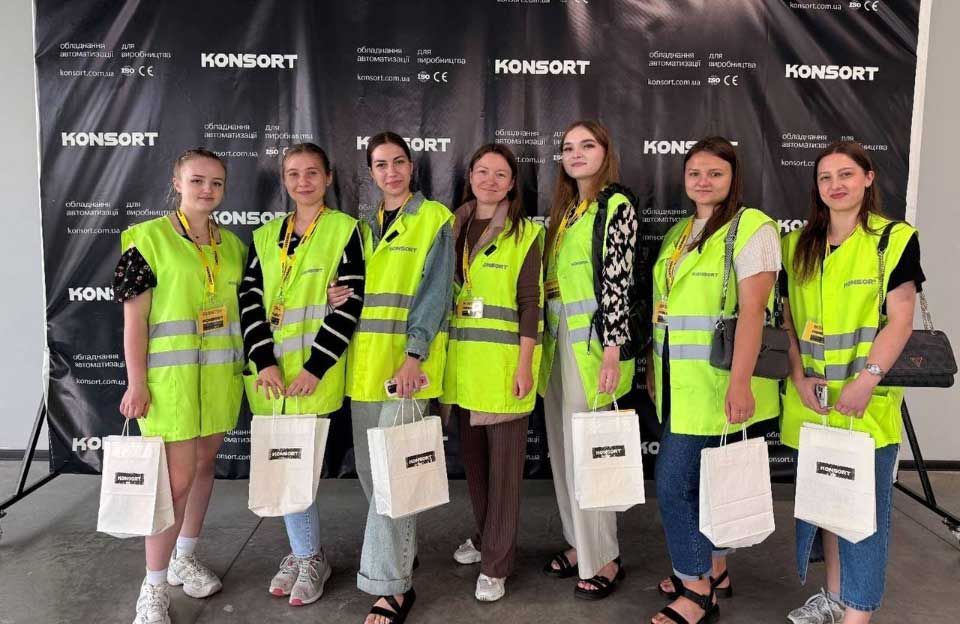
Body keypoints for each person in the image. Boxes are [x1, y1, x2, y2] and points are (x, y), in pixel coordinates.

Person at [781, 141, 922, 624]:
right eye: (825, 177)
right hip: (814, 405)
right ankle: (835, 599)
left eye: (846, 174)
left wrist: (867, 380)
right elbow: (788, 323)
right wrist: (798, 377)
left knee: (863, 516)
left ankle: (857, 615)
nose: (835, 185)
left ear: (868, 178)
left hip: (866, 404)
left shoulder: (893, 239)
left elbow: (901, 320)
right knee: (828, 507)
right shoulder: (797, 244)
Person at [648, 136, 781, 624]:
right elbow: (666, 311)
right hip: (678, 384)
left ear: (733, 178)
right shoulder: (680, 233)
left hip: (718, 385)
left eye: (715, 173)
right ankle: (714, 569)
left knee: (673, 486)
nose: (703, 181)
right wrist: (653, 368)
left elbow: (753, 312)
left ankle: (697, 591)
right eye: (695, 173)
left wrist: (740, 383)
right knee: (705, 485)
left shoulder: (752, 227)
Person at [115, 148, 246, 624]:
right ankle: (152, 588)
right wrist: (136, 383)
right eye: (197, 180)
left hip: (218, 380)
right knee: (174, 483)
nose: (206, 190)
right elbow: (135, 320)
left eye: (216, 182)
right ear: (177, 183)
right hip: (169, 384)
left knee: (206, 467)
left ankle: (183, 558)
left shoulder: (233, 246)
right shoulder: (147, 239)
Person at [330, 131, 453, 624]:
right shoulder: (361, 228)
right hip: (364, 369)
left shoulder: (434, 219)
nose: (391, 171)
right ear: (371, 173)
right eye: (381, 164)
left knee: (392, 477)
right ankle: (402, 553)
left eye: (399, 161)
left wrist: (415, 354)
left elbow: (436, 293)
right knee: (371, 475)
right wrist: (335, 296)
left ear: (411, 166)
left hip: (408, 370)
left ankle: (392, 587)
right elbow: (354, 292)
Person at [238, 143, 365, 607]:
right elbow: (249, 300)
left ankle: (309, 556)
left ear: (328, 177)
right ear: (284, 179)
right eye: (293, 173)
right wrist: (264, 359)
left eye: (312, 172)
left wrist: (315, 367)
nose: (303, 181)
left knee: (296, 469)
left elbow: (349, 303)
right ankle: (303, 550)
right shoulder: (265, 235)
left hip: (313, 376)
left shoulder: (346, 230)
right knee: (284, 467)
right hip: (270, 378)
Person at [538, 120, 637, 600]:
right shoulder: (565, 212)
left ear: (605, 152)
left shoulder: (615, 205)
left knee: (590, 453)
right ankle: (580, 542)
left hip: (594, 346)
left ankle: (605, 556)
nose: (576, 153)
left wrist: (613, 350)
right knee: (562, 450)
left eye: (587, 145)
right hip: (556, 340)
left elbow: (619, 281)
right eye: (568, 147)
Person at [440, 143, 544, 602]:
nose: (490, 181)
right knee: (477, 469)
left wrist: (524, 365)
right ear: (470, 176)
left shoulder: (525, 233)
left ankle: (497, 566)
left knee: (503, 476)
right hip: (461, 370)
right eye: (483, 171)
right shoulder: (451, 226)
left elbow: (530, 304)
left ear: (512, 184)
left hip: (504, 371)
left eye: (500, 174)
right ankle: (485, 539)